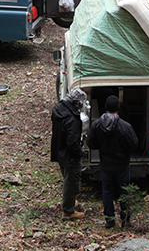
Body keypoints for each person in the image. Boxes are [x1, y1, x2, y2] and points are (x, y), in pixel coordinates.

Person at [87, 95, 138, 229]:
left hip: (106, 163)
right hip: (122, 164)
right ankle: (125, 219)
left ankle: (109, 219)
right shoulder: (125, 126)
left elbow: (91, 143)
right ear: (118, 108)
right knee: (125, 191)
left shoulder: (97, 124)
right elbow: (134, 144)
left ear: (106, 108)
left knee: (107, 191)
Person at [51, 88, 87, 220]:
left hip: (60, 151)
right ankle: (68, 210)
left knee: (66, 176)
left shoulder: (58, 109)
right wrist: (79, 152)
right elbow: (72, 141)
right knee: (71, 181)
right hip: (70, 155)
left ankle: (70, 201)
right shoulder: (72, 118)